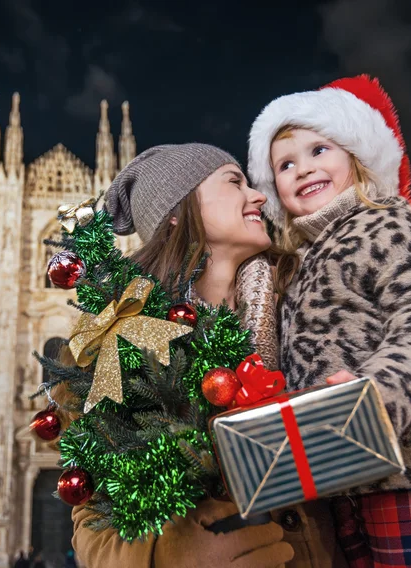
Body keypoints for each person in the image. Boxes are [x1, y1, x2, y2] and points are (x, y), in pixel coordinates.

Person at [65, 142, 348, 568]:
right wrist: (166, 555)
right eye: (235, 182)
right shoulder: (115, 341)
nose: (259, 196)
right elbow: (92, 516)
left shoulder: (310, 291)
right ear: (177, 212)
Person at [248, 74, 411, 567]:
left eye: (319, 150)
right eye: (285, 163)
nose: (303, 169)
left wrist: (378, 396)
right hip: (332, 482)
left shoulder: (388, 226)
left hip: (408, 478)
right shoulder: (298, 262)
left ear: (359, 159)